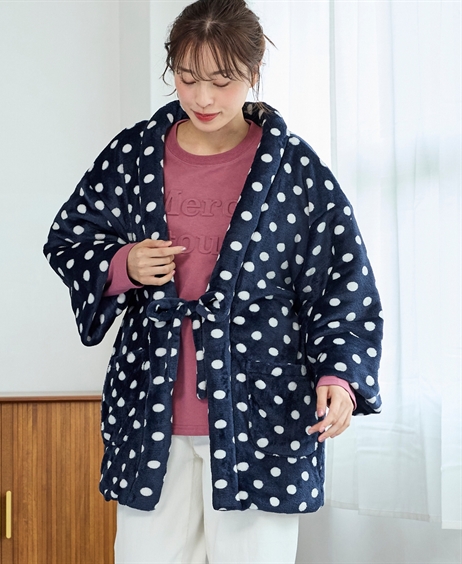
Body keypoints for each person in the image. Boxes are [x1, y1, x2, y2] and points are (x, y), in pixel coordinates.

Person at [43, 0, 383, 562]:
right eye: (186, 77)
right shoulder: (133, 155)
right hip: (150, 405)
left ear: (254, 71)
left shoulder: (295, 169)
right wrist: (124, 264)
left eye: (222, 82)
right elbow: (69, 239)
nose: (202, 97)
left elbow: (343, 280)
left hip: (265, 410)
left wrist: (340, 376)